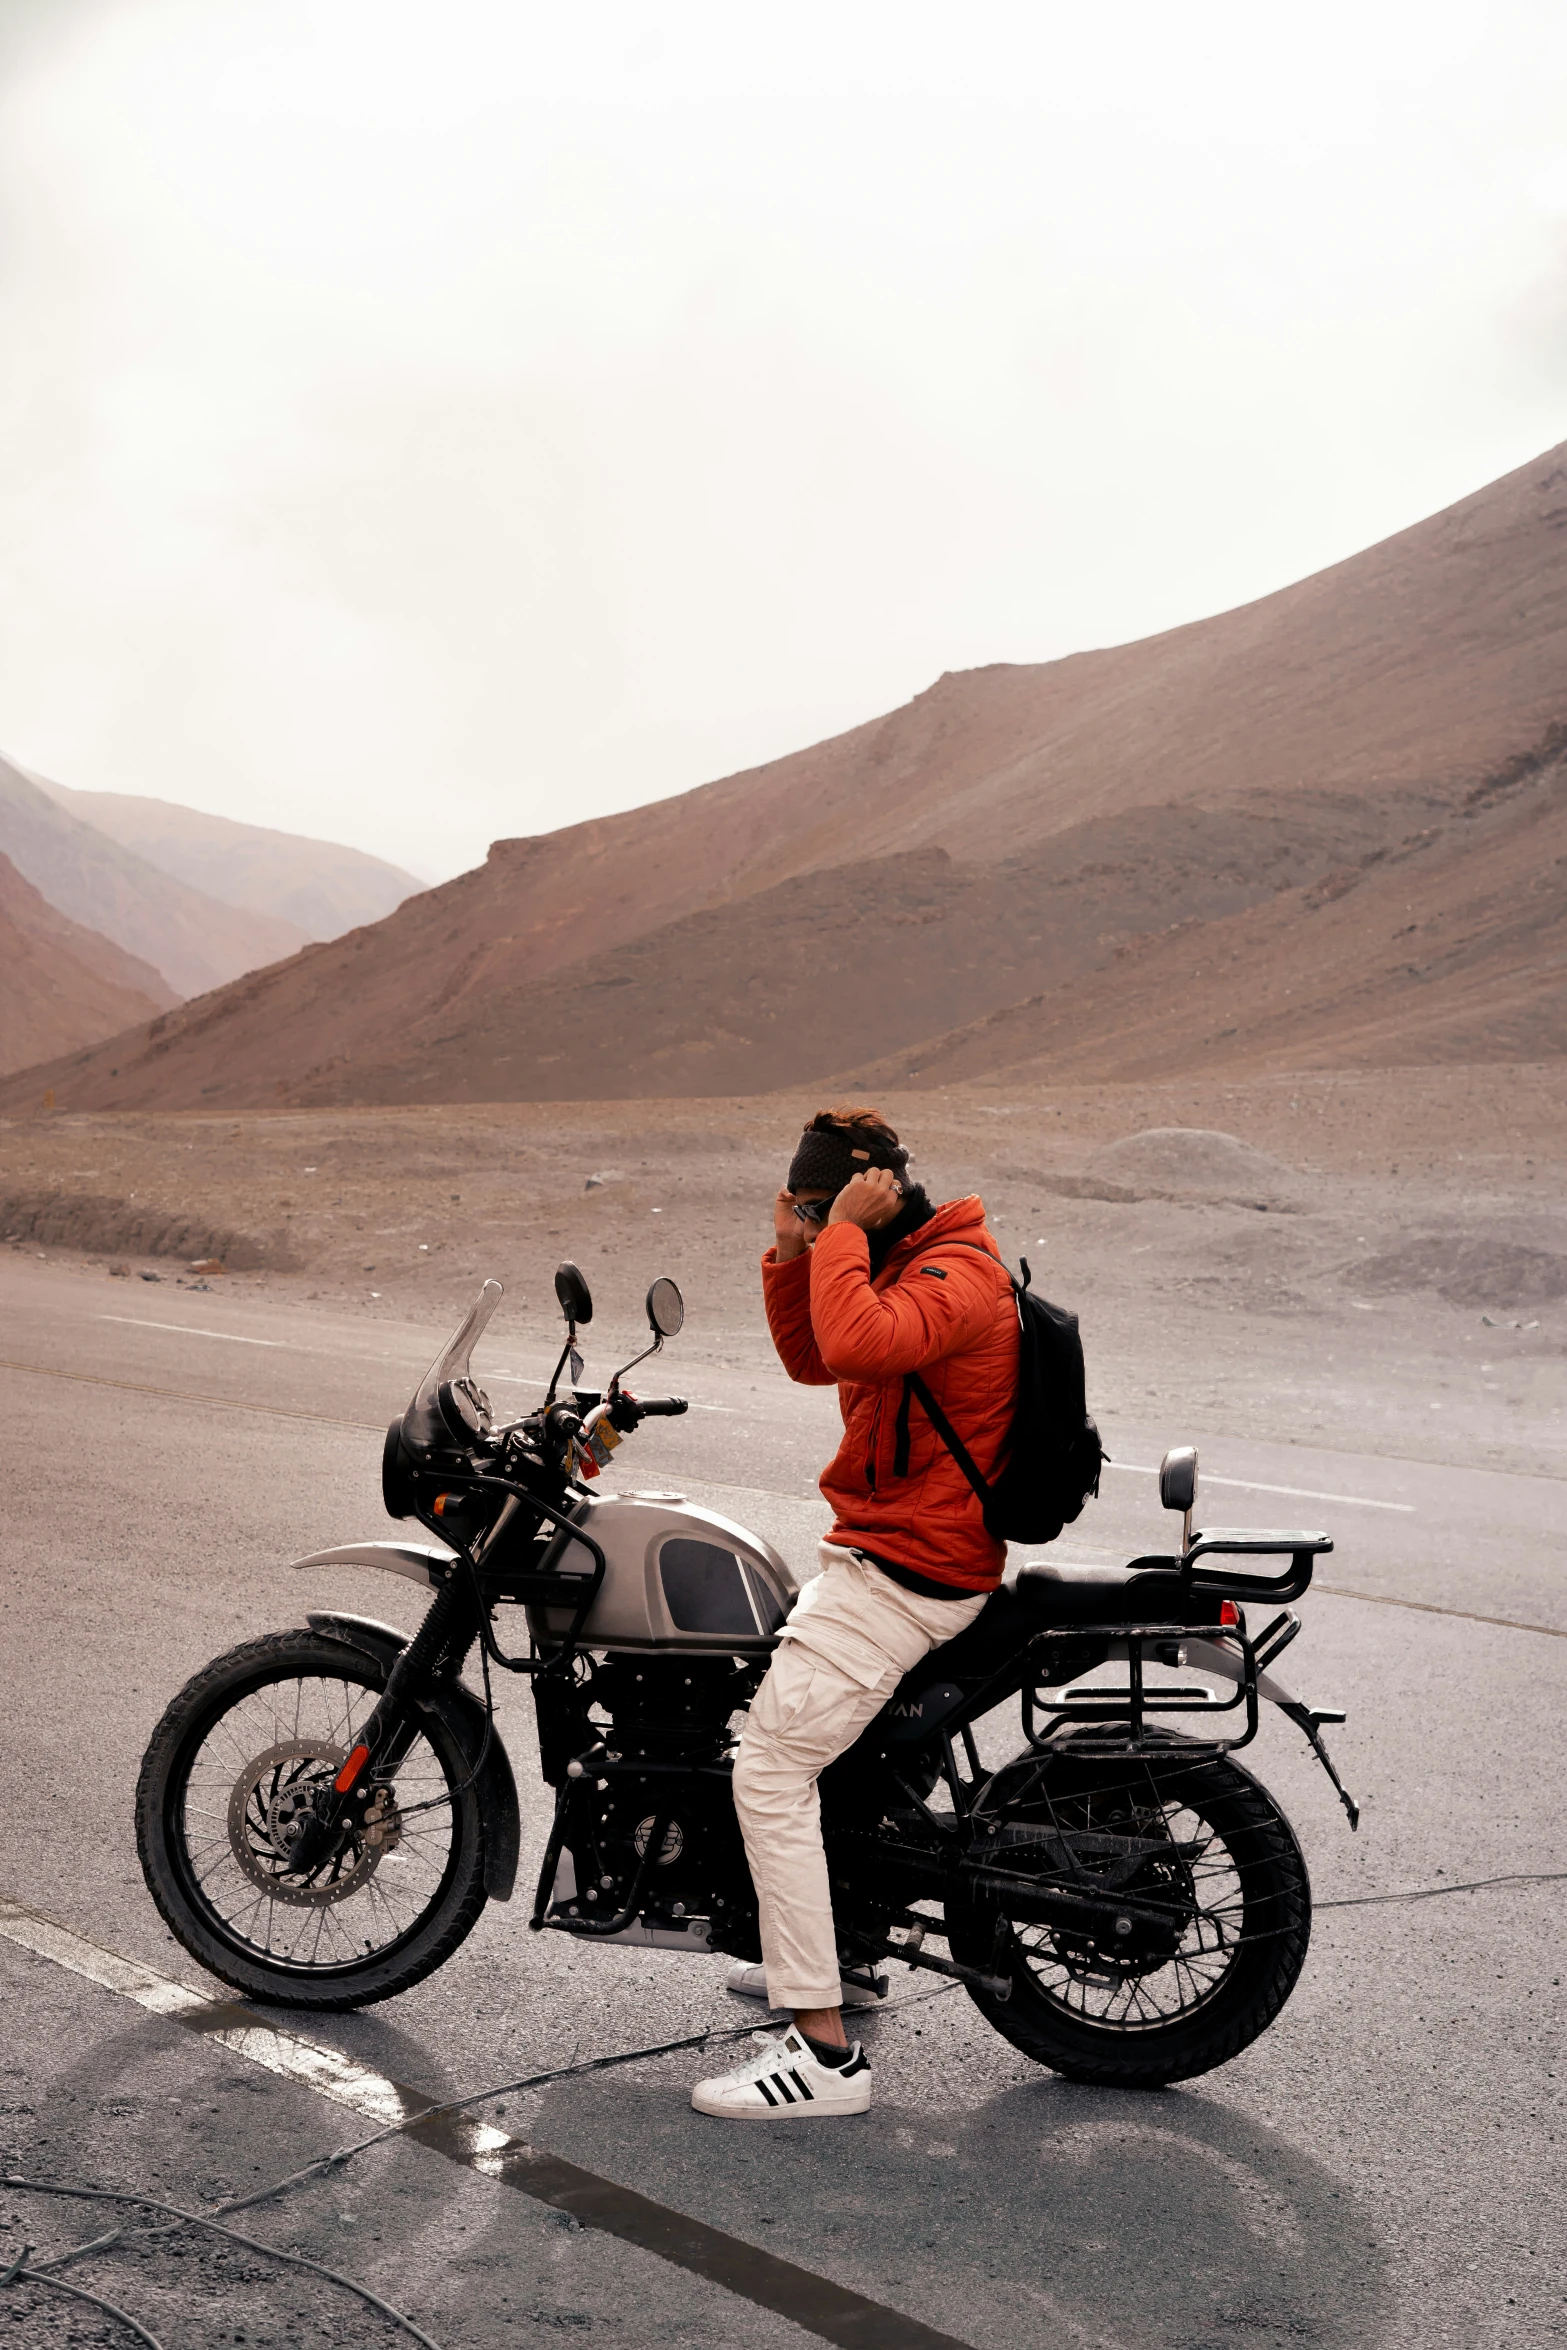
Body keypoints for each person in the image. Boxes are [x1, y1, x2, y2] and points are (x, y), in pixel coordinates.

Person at [690, 1105, 1020, 2120]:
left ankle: (820, 2054)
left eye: (820, 1197)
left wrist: (834, 1238)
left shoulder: (951, 1273)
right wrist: (796, 1249)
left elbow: (856, 1337)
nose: (809, 1215)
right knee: (812, 1752)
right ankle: (844, 1944)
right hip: (887, 1550)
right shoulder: (897, 1259)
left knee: (771, 1764)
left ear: (875, 1192)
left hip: (909, 1569)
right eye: (798, 1199)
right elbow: (815, 1356)